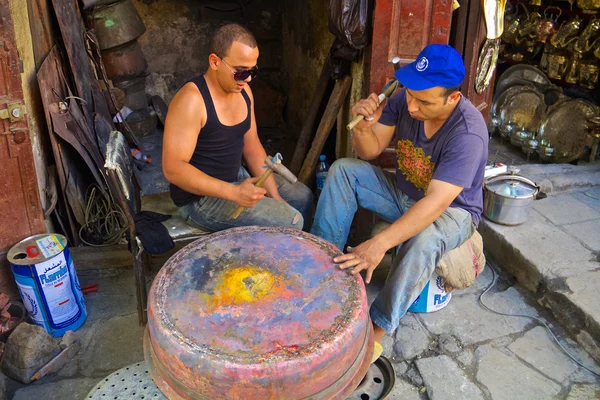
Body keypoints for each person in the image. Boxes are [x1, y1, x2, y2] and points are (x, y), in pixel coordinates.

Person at [311, 44, 489, 360]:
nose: (412, 106)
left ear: (452, 98)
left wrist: (378, 244)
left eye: (423, 101)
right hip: (404, 193)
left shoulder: (468, 132)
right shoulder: (403, 100)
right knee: (343, 172)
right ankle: (321, 275)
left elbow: (435, 203)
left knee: (424, 237)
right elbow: (369, 150)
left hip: (452, 211)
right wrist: (365, 125)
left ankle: (377, 329)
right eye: (410, 94)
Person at [162, 23, 312, 232]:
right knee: (291, 220)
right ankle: (273, 258)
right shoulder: (191, 101)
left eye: (252, 71)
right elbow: (174, 169)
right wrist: (233, 193)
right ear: (215, 62)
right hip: (200, 201)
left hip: (236, 178)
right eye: (241, 72)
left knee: (301, 196)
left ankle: (290, 253)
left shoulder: (243, 91)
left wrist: (275, 196)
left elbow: (252, 148)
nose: (248, 79)